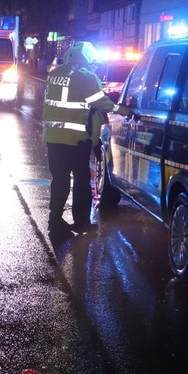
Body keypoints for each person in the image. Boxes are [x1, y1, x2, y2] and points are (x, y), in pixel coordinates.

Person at [42, 41, 133, 235]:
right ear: (88, 59)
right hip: (76, 139)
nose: (95, 67)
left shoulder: (54, 74)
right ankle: (81, 223)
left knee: (59, 180)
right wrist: (124, 110)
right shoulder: (86, 76)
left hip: (53, 137)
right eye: (94, 63)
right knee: (82, 181)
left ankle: (54, 221)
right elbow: (101, 104)